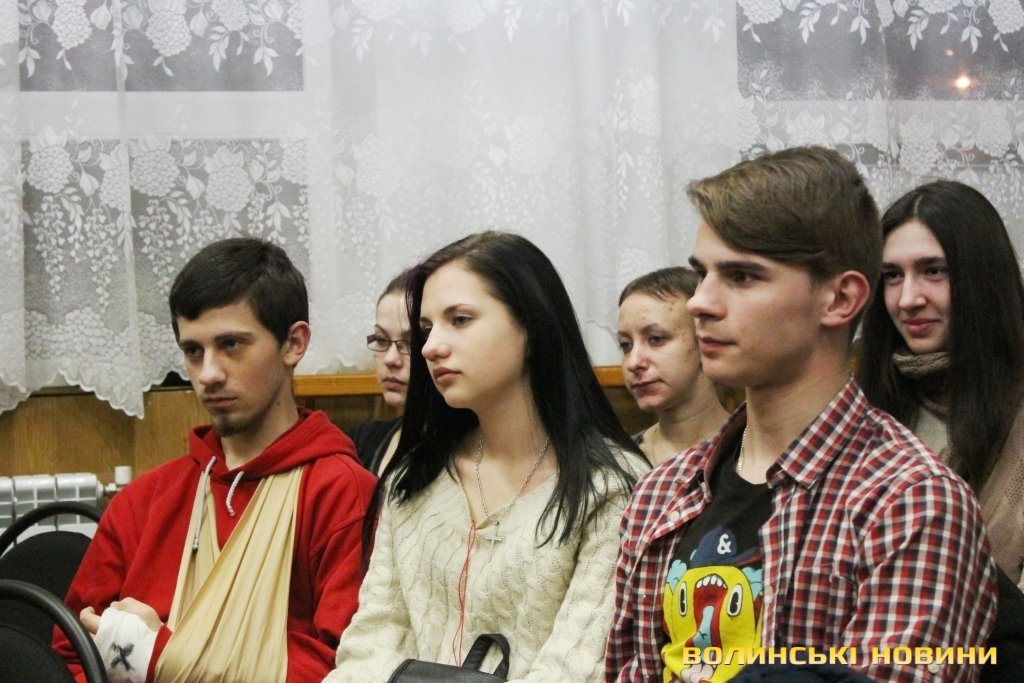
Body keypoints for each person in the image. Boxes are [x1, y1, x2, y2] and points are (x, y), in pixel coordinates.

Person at [605, 147, 998, 683]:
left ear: (839, 299)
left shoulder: (911, 502)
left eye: (742, 276)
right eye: (703, 274)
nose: (700, 302)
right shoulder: (662, 492)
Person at [326, 231, 649, 681]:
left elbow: (576, 670)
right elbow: (366, 648)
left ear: (531, 327)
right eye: (427, 328)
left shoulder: (608, 487)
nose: (429, 347)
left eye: (459, 320)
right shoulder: (413, 478)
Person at [56, 238, 377, 682]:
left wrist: (161, 657)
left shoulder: (342, 495)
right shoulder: (143, 502)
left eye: (231, 345)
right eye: (193, 351)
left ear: (294, 343)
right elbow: (70, 653)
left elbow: (348, 669)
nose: (208, 374)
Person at [857, 180, 1024, 590]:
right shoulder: (861, 405)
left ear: (982, 277)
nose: (908, 299)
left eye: (933, 271)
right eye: (892, 276)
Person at [618, 266, 729, 466]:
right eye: (626, 345)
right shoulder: (624, 463)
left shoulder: (750, 451)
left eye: (656, 339)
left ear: (705, 341)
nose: (633, 363)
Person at [348, 270, 411, 474]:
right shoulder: (360, 442)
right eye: (382, 340)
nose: (391, 359)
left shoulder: (469, 452)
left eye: (411, 342)